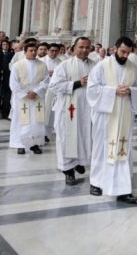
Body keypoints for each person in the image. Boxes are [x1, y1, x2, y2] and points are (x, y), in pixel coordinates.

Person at [86, 36, 137, 203]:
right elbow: (92, 89)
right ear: (115, 49)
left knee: (123, 149)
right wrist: (113, 91)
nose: (125, 55)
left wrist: (132, 91)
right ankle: (96, 182)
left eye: (128, 52)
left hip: (124, 116)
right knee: (102, 148)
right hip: (105, 116)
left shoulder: (134, 68)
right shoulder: (102, 66)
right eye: (122, 51)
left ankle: (123, 189)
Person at [49, 37, 95, 185]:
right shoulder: (64, 65)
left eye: (87, 47)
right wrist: (77, 83)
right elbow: (54, 86)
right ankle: (68, 171)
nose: (84, 50)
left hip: (87, 109)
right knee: (67, 139)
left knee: (84, 136)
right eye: (81, 47)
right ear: (74, 48)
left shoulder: (95, 66)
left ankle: (80, 162)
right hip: (68, 110)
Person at [9, 41, 49, 155]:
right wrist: (26, 93)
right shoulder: (17, 65)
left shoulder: (42, 65)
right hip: (22, 98)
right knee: (21, 121)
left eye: (34, 50)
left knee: (36, 121)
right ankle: (20, 144)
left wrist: (36, 91)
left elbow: (46, 81)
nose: (33, 53)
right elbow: (13, 83)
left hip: (37, 98)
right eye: (30, 51)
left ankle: (34, 144)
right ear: (25, 52)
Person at [41, 43, 62, 142]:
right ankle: (39, 134)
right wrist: (46, 73)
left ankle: (47, 135)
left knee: (51, 115)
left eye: (56, 51)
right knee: (42, 113)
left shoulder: (61, 63)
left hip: (55, 91)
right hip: (42, 91)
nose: (54, 53)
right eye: (52, 50)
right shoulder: (41, 61)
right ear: (48, 51)